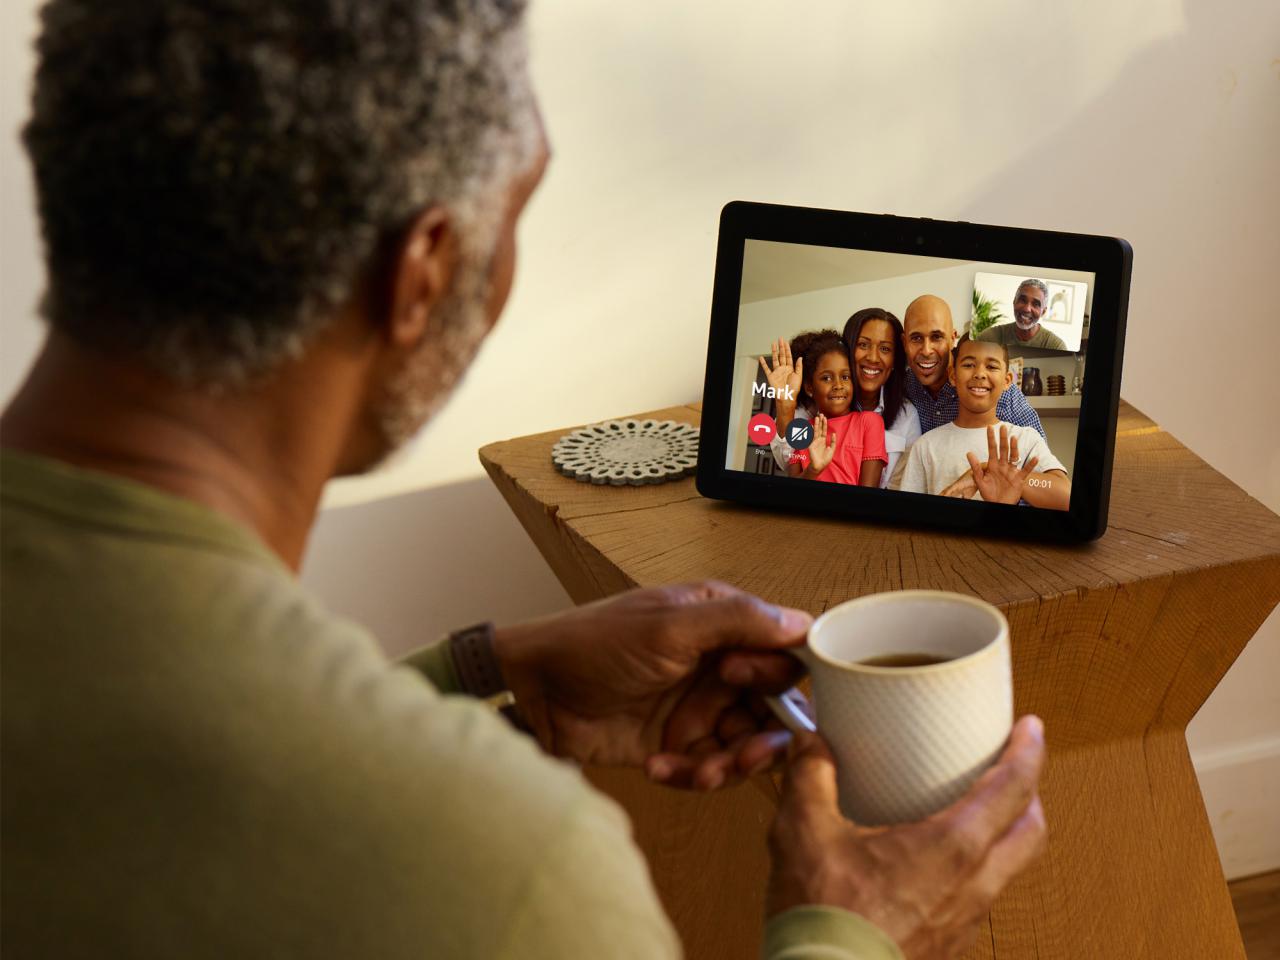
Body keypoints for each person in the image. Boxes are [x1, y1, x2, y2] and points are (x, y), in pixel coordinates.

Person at [1, 2, 1048, 958]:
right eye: (517, 210)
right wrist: (852, 937)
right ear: (419, 274)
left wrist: (486, 680)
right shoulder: (513, 879)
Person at [897, 336, 1071, 508]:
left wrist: (1013, 478)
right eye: (968, 365)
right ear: (953, 376)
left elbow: (1065, 495)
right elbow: (906, 513)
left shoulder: (1025, 438)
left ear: (1007, 380)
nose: (980, 374)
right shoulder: (925, 445)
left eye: (992, 366)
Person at [767, 308, 921, 486]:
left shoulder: (906, 415)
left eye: (885, 348)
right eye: (863, 345)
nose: (873, 357)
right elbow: (787, 463)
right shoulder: (810, 411)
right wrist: (785, 404)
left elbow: (903, 485)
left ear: (895, 360)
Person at [759, 330, 887, 486]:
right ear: (809, 388)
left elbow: (868, 494)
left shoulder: (870, 422)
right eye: (826, 378)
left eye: (845, 377)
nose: (838, 385)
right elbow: (791, 489)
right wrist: (813, 470)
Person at [976, 279, 1069, 351]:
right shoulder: (988, 338)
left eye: (1036, 304)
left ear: (1043, 312)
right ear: (1014, 302)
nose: (1027, 309)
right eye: (1022, 300)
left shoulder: (1055, 346)